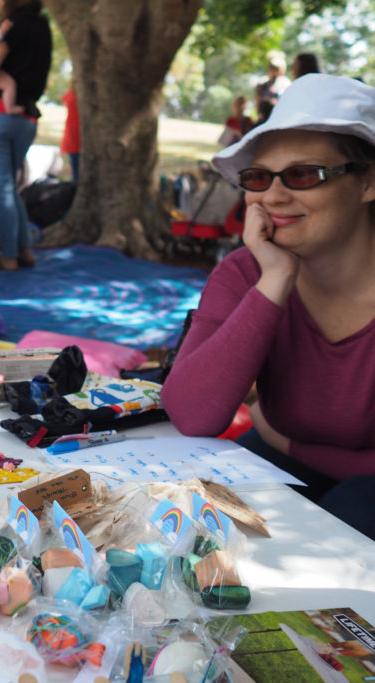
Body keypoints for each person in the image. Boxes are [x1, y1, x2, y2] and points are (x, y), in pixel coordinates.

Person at [161, 74, 375, 539]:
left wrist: (285, 438)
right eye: (258, 178)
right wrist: (275, 279)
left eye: (303, 175)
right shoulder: (247, 272)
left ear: (367, 183)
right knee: (191, 537)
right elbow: (192, 413)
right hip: (281, 460)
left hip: (343, 482)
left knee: (343, 523)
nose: (273, 196)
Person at [0, 0, 52, 271]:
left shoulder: (12, 26)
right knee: (10, 189)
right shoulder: (43, 27)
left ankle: (8, 257)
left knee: (1, 188)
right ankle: (24, 250)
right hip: (26, 117)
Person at [254, 49, 291, 113]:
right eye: (272, 67)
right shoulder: (262, 82)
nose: (274, 71)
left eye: (276, 68)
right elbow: (258, 101)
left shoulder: (285, 83)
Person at [60, 84, 80, 183]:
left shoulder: (71, 93)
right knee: (76, 166)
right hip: (74, 133)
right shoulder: (73, 93)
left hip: (74, 132)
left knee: (76, 166)